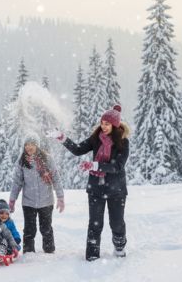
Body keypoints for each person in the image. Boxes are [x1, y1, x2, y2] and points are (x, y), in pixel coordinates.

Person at [48, 104, 130, 261]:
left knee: (117, 223)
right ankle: (92, 255)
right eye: (102, 123)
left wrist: (95, 165)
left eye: (107, 124)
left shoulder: (123, 143)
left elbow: (118, 166)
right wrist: (62, 137)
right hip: (96, 189)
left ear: (115, 124)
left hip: (116, 190)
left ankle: (119, 247)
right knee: (95, 223)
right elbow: (78, 149)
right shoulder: (96, 138)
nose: (103, 126)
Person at [9, 132, 65, 254]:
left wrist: (60, 197)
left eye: (32, 144)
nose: (29, 147)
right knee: (29, 230)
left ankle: (49, 251)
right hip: (28, 201)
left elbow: (56, 178)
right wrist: (12, 200)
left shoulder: (47, 159)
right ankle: (29, 253)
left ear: (37, 145)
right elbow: (17, 182)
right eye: (27, 145)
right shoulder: (22, 161)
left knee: (46, 229)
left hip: (46, 201)